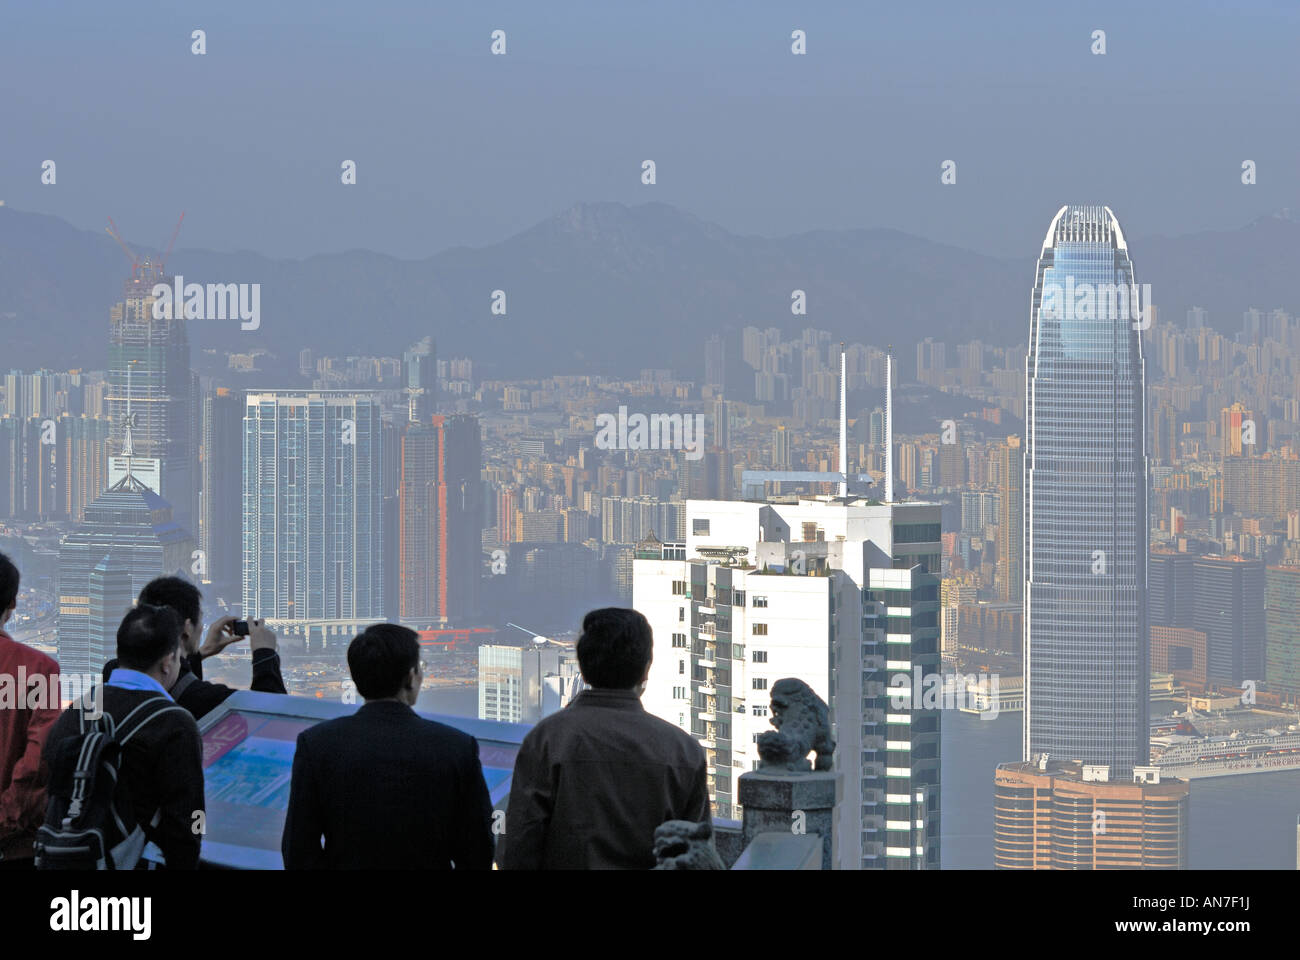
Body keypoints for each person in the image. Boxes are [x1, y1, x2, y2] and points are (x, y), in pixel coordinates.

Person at [502, 607, 709, 870]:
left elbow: (519, 843)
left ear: (584, 669)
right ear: (646, 669)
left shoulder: (547, 740)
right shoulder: (683, 750)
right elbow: (698, 852)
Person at [282, 623, 494, 869]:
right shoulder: (456, 748)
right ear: (411, 677)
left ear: (356, 676)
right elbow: (478, 850)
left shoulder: (317, 744)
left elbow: (298, 848)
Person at [43, 604, 204, 869]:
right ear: (167, 661)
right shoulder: (175, 723)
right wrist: (201, 825)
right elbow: (188, 819)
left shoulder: (76, 711)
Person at [102, 576, 286, 720]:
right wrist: (264, 654)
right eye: (201, 618)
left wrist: (200, 653)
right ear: (188, 628)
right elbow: (274, 718)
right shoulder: (209, 701)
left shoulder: (112, 673)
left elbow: (176, 682)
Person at [0, 552, 60, 869]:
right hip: (14, 846)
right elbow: (39, 760)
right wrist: (7, 818)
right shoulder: (39, 668)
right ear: (12, 604)